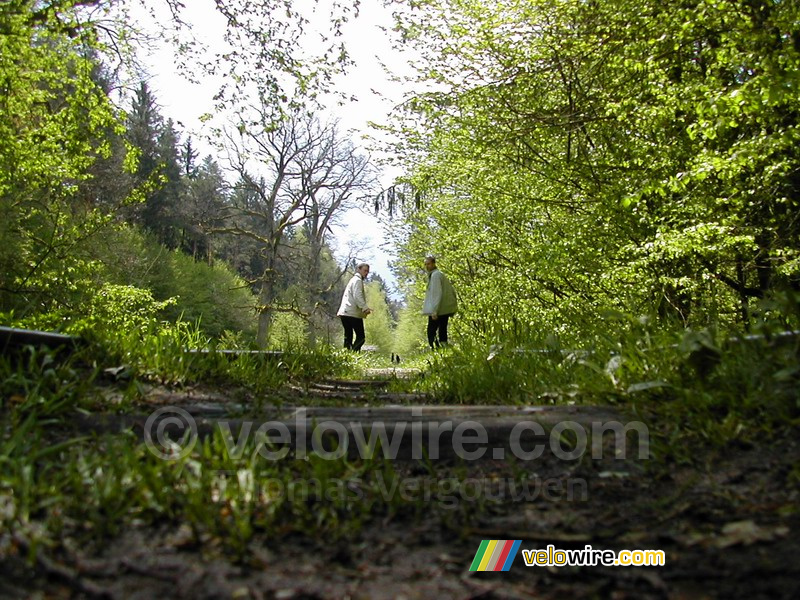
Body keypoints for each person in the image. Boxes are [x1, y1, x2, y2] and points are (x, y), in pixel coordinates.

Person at [422, 256, 457, 348]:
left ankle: (435, 350)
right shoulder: (438, 274)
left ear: (434, 263)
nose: (427, 266)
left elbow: (437, 293)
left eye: (428, 264)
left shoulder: (435, 275)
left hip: (439, 309)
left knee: (431, 331)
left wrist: (434, 310)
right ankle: (444, 347)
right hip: (444, 308)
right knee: (442, 329)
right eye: (425, 264)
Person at [337, 262, 372, 351]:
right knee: (361, 337)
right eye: (365, 271)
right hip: (352, 313)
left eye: (367, 271)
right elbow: (357, 296)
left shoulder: (353, 280)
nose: (366, 273)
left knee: (348, 336)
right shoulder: (357, 280)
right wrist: (365, 308)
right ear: (359, 269)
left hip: (345, 312)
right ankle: (353, 354)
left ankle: (347, 357)